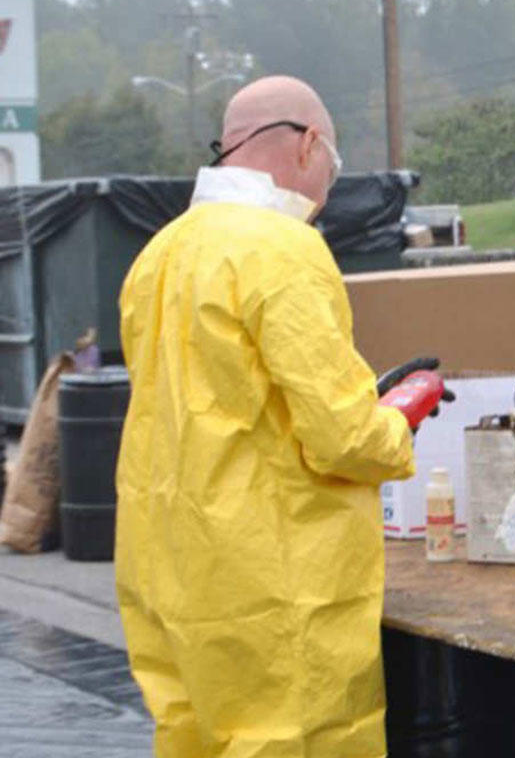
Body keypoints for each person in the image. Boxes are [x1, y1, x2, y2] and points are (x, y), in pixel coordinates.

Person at [116, 75, 427, 757]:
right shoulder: (283, 250)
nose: (327, 189)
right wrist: (399, 419)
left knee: (193, 739)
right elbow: (342, 434)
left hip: (172, 573)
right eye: (333, 168)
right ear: (310, 144)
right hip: (276, 584)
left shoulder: (158, 255)